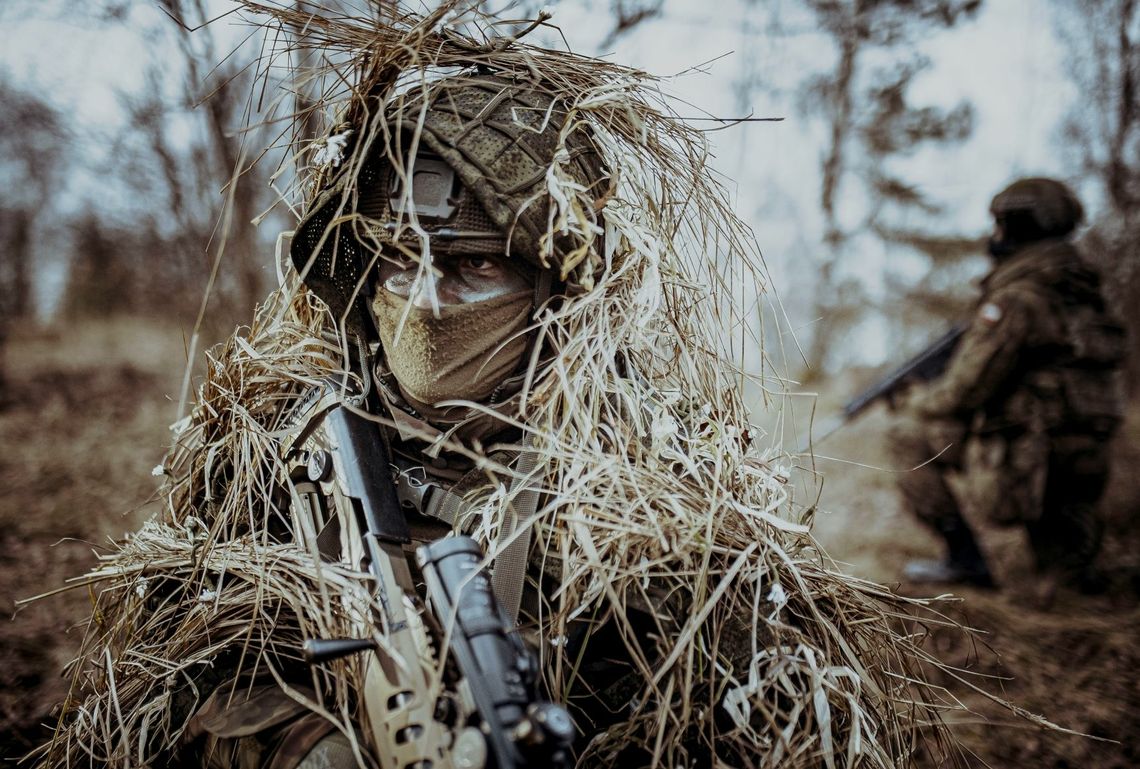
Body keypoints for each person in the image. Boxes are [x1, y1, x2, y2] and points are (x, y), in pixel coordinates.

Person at [36, 7, 997, 769]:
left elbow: (735, 720)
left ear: (554, 282)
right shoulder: (269, 441)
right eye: (395, 263)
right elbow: (162, 685)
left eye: (472, 266)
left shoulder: (653, 496)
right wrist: (297, 741)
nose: (426, 298)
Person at [889, 177, 1126, 595]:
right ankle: (1073, 575)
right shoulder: (1083, 294)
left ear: (1018, 227)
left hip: (1027, 455)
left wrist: (918, 400)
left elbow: (964, 390)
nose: (993, 235)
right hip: (1085, 456)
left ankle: (966, 562)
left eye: (999, 224)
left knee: (907, 435)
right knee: (1065, 591)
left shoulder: (1017, 298)